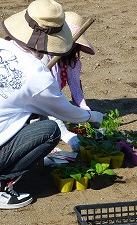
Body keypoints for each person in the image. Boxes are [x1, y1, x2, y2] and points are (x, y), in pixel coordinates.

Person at [0, 0, 104, 209]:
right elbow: (65, 111)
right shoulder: (38, 76)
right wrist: (91, 117)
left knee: (21, 116)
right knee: (50, 130)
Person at [41, 11, 96, 153]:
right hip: (36, 103)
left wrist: (87, 114)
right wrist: (66, 134)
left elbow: (76, 91)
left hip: (50, 101)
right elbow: (48, 99)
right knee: (46, 126)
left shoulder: (71, 62)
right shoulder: (45, 60)